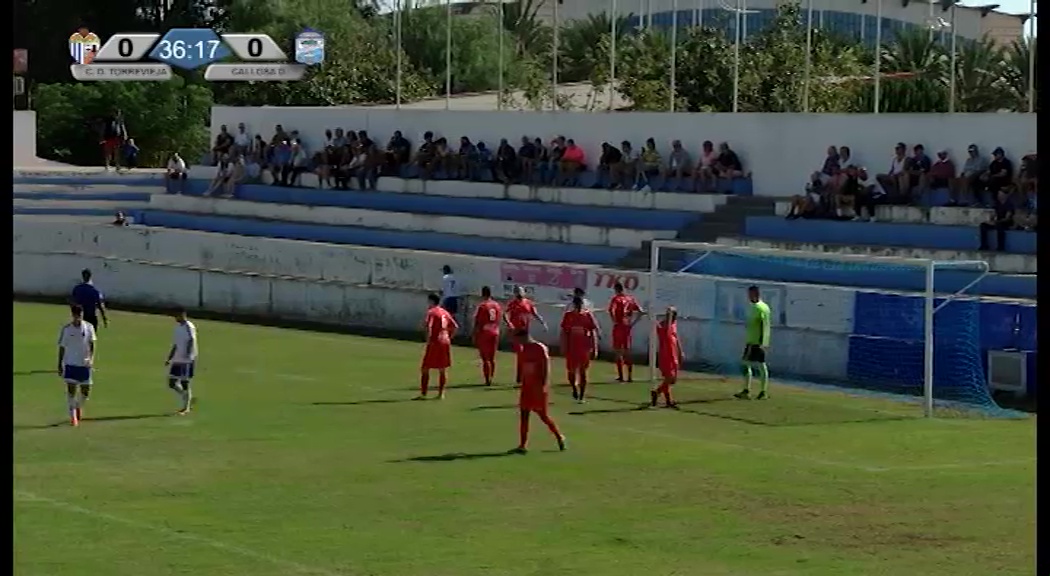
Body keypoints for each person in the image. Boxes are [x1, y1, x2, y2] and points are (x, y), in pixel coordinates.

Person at [512, 328, 566, 454]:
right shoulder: (523, 349)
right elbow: (523, 364)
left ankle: (559, 436)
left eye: (518, 339)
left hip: (538, 387)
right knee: (524, 414)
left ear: (525, 336)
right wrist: (519, 378)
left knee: (543, 415)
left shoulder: (539, 347)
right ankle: (522, 445)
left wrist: (544, 384)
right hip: (527, 386)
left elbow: (546, 365)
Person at [57, 304, 97, 426]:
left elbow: (92, 343)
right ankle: (73, 416)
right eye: (76, 315)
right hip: (71, 363)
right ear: (72, 315)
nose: (78, 318)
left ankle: (77, 406)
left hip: (84, 364)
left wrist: (91, 358)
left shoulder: (89, 327)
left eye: (80, 315)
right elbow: (62, 347)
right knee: (71, 391)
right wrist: (60, 364)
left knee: (86, 392)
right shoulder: (67, 329)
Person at [504, 286, 547, 385]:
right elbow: (505, 314)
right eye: (516, 292)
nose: (518, 294)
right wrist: (509, 323)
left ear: (524, 293)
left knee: (527, 353)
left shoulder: (528, 303)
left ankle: (526, 375)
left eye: (520, 292)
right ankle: (520, 377)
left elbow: (535, 313)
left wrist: (543, 323)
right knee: (521, 353)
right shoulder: (513, 304)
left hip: (525, 331)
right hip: (516, 332)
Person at [418, 293, 458, 400]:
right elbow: (455, 326)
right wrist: (449, 337)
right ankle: (441, 394)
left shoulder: (431, 312)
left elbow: (429, 326)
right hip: (445, 341)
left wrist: (428, 339)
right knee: (442, 369)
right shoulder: (445, 312)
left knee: (425, 368)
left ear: (431, 301)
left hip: (435, 341)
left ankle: (423, 394)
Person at [735, 285, 771, 400]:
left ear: (755, 294)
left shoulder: (757, 308)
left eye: (750, 294)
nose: (748, 297)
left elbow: (760, 324)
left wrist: (759, 340)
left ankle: (746, 390)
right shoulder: (765, 307)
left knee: (744, 364)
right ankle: (763, 391)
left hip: (754, 341)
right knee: (761, 365)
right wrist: (765, 340)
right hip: (761, 340)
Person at [560, 296, 599, 403]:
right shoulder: (568, 316)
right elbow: (564, 332)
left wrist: (595, 347)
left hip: (584, 348)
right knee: (571, 372)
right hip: (572, 348)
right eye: (576, 304)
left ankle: (582, 395)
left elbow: (593, 332)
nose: (578, 306)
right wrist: (563, 345)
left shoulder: (587, 315)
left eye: (580, 304)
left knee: (583, 372)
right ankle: (574, 388)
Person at [607, 282, 644, 382]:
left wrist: (614, 320)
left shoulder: (616, 299)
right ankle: (630, 376)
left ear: (616, 289)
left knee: (618, 352)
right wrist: (633, 323)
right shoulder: (630, 299)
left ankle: (621, 376)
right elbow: (641, 311)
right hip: (627, 326)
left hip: (619, 326)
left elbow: (611, 310)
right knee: (627, 352)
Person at [164, 308, 198, 415]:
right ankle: (186, 398)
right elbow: (175, 344)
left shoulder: (189, 326)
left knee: (185, 383)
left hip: (186, 359)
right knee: (172, 383)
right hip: (177, 358)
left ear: (182, 315)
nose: (175, 318)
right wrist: (169, 358)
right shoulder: (177, 328)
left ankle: (186, 407)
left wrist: (188, 355)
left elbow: (191, 340)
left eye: (176, 316)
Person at [651, 306, 683, 408]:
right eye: (669, 313)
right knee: (669, 377)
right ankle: (659, 393)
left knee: (672, 380)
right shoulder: (662, 325)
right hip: (666, 353)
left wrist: (680, 350)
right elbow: (665, 331)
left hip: (674, 352)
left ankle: (663, 396)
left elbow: (676, 337)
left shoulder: (674, 324)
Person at [472, 286, 503, 386]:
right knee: (492, 357)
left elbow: (477, 321)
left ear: (482, 294)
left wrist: (474, 334)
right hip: (495, 331)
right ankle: (492, 377)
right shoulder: (497, 305)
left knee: (485, 358)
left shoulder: (482, 306)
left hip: (485, 332)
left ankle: (487, 379)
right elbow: (499, 317)